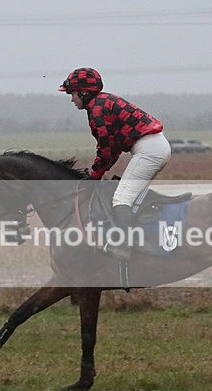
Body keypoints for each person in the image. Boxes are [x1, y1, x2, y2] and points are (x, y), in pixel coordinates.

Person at [59, 67, 171, 260]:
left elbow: (105, 147)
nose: (71, 99)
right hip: (153, 146)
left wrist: (94, 176)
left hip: (150, 149)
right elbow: (112, 150)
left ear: (83, 92)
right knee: (129, 196)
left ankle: (124, 248)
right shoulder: (102, 102)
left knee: (121, 198)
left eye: (72, 94)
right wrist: (97, 173)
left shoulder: (97, 109)